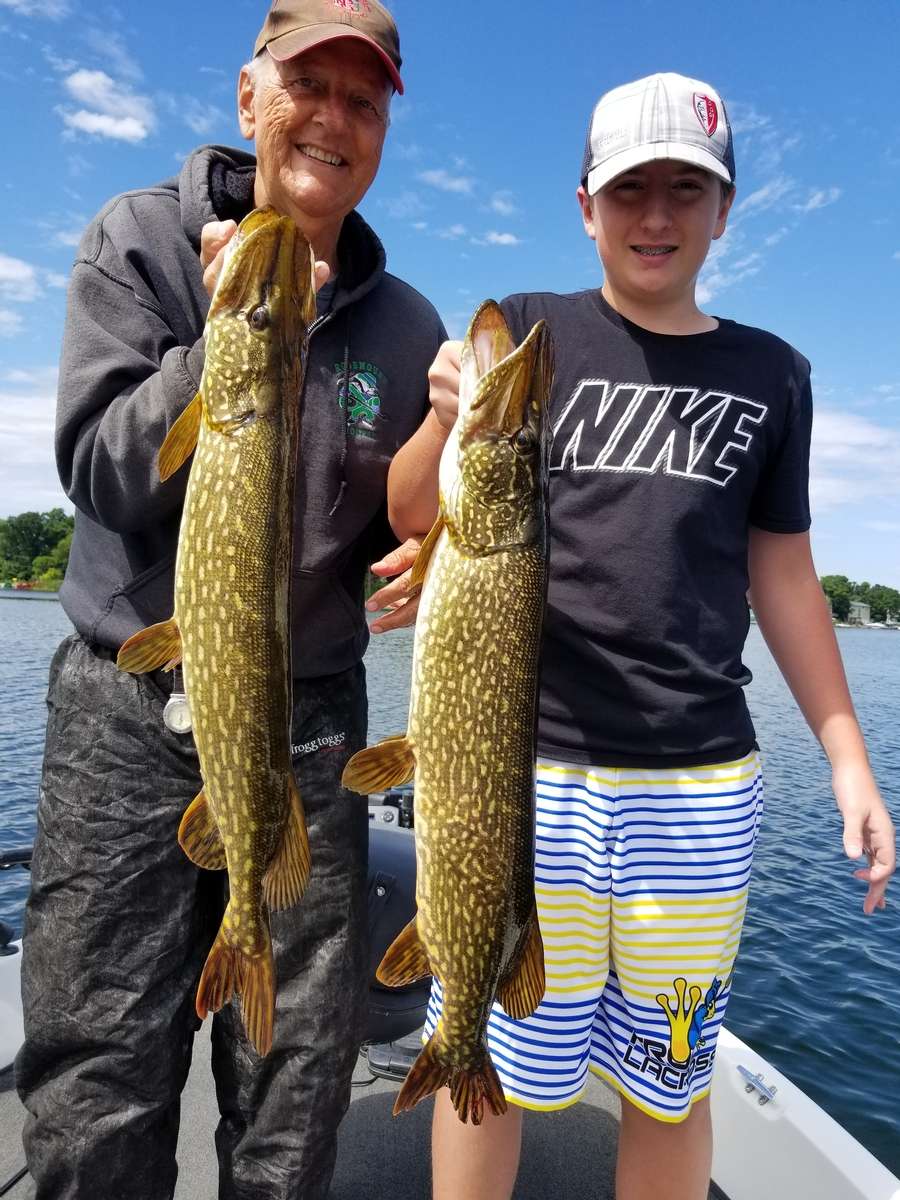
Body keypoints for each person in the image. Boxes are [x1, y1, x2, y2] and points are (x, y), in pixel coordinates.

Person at [387, 72, 896, 1200]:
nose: (655, 217)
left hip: (697, 790)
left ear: (725, 211)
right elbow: (417, 513)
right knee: (495, 1061)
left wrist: (849, 758)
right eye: (629, 191)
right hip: (526, 780)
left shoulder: (774, 376)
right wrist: (437, 418)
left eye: (684, 190)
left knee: (671, 1086)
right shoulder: (526, 330)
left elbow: (784, 571)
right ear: (585, 205)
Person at [15, 3, 446, 1198]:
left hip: (308, 717)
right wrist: (230, 339)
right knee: (100, 1058)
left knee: (293, 1069)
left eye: (366, 102)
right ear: (252, 95)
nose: (335, 120)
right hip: (125, 709)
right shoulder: (143, 239)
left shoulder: (404, 323)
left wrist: (435, 547)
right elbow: (101, 466)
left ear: (383, 133)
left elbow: (401, 516)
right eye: (312, 86)